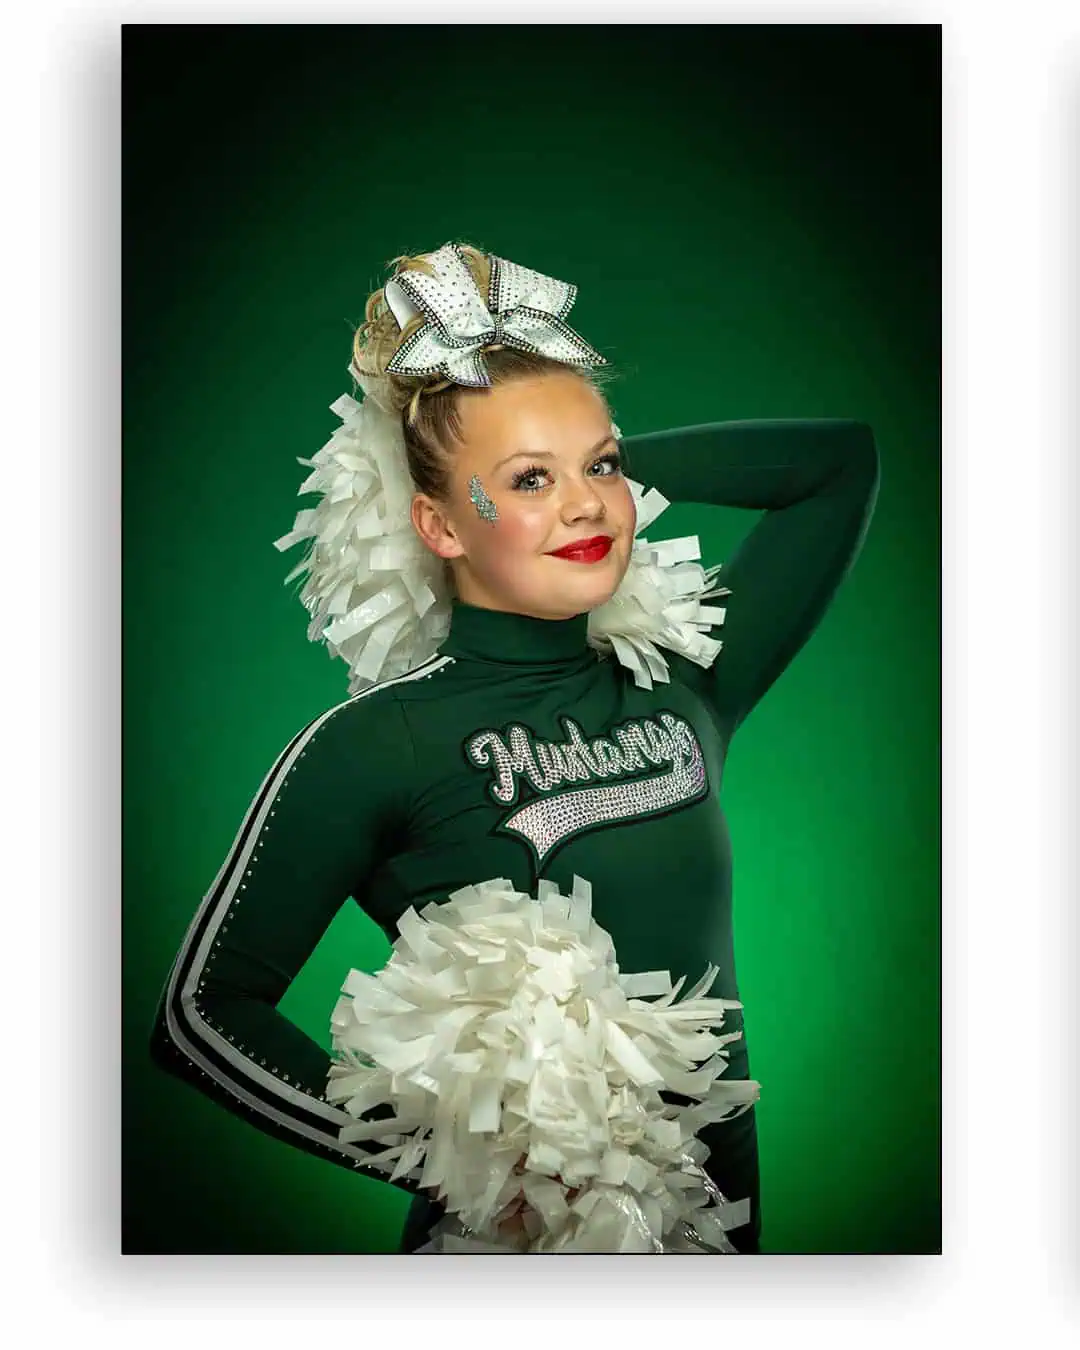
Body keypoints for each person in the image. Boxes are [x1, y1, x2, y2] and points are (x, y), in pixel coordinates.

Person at [150, 241, 880, 1254]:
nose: (584, 505)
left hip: (720, 1253)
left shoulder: (684, 683)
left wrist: (572, 463)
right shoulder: (378, 743)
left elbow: (838, 464)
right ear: (439, 525)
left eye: (601, 468)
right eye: (527, 481)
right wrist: (446, 1155)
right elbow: (201, 1015)